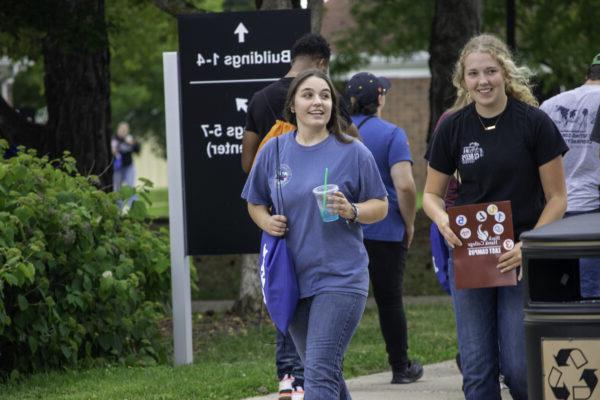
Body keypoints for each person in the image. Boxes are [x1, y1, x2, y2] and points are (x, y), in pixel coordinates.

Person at [423, 33, 568, 399]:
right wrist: (442, 221)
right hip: (470, 257)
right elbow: (430, 195)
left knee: (520, 372)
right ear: (463, 80)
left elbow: (557, 198)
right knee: (477, 371)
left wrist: (528, 244)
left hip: (518, 257)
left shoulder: (534, 123)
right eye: (473, 74)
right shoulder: (452, 128)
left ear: (505, 72)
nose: (482, 81)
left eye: (490, 71)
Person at [242, 69, 388, 399]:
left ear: (333, 105)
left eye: (324, 95)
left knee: (318, 375)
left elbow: (380, 205)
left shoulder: (353, 151)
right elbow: (254, 203)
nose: (317, 102)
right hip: (290, 280)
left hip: (340, 277)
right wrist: (266, 222)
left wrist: (351, 210)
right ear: (293, 105)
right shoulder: (274, 151)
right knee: (325, 373)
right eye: (308, 95)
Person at [345, 72, 423, 384]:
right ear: (379, 98)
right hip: (385, 229)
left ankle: (328, 368)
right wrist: (410, 223)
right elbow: (404, 186)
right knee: (389, 300)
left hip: (348, 227)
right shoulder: (392, 134)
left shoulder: (339, 132)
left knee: (342, 299)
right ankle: (400, 367)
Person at [540, 53, 600, 298]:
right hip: (592, 212)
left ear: (588, 75)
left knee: (559, 297)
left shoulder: (550, 105)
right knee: (593, 300)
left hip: (552, 213)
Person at [111, 121, 140, 206]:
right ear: (118, 129)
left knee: (130, 187)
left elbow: (138, 150)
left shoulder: (129, 139)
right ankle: (118, 212)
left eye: (126, 130)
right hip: (117, 169)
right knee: (117, 190)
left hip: (129, 167)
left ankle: (134, 210)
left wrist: (133, 144)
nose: (124, 131)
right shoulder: (114, 139)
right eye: (122, 129)